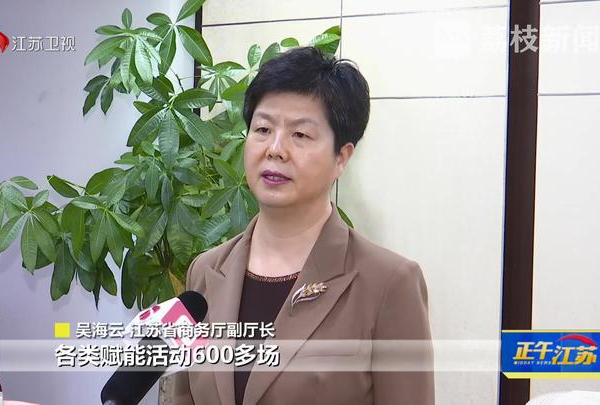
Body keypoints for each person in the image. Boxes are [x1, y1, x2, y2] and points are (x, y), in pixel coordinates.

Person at [172, 46, 434, 405]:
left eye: (300, 135)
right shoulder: (205, 272)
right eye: (263, 129)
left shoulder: (389, 284)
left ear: (341, 157)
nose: (275, 149)